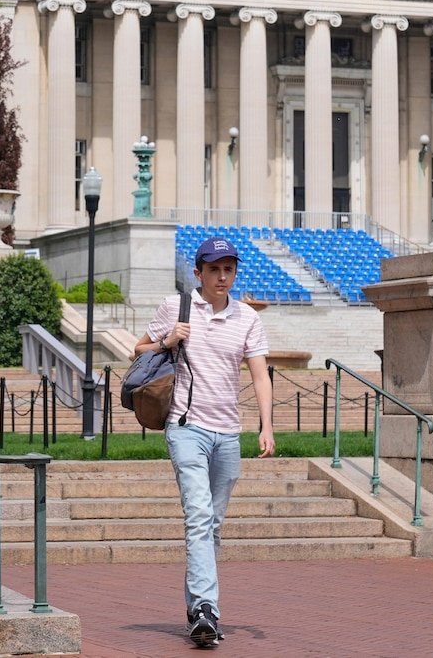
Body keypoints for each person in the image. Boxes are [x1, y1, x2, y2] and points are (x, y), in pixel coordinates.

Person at [145, 235, 274, 648]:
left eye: (229, 269)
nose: (222, 276)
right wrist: (168, 340)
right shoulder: (177, 307)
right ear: (198, 272)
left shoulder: (247, 319)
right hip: (187, 428)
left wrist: (266, 425)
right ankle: (207, 609)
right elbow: (138, 349)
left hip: (228, 434)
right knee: (199, 516)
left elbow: (259, 376)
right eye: (214, 269)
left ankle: (195, 607)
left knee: (212, 526)